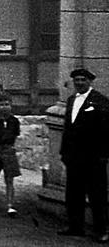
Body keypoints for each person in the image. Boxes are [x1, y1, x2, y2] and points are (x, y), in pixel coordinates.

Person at [58, 68, 109, 241]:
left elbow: (105, 131)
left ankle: (101, 230)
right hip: (73, 156)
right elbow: (68, 128)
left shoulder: (100, 101)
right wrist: (64, 152)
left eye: (83, 80)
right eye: (76, 80)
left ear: (90, 82)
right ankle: (75, 226)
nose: (79, 83)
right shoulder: (72, 100)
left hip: (93, 157)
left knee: (97, 195)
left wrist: (103, 154)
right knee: (74, 193)